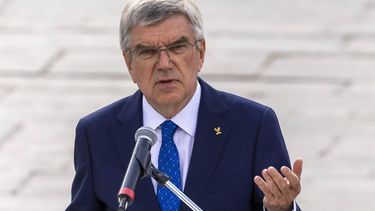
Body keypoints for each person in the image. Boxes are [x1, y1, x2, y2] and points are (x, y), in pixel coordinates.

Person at [66, 0, 303, 210]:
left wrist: (280, 209)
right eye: (148, 52)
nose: (164, 63)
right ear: (129, 63)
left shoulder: (252, 125)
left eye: (177, 47)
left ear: (200, 53)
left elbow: (275, 201)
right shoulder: (96, 133)